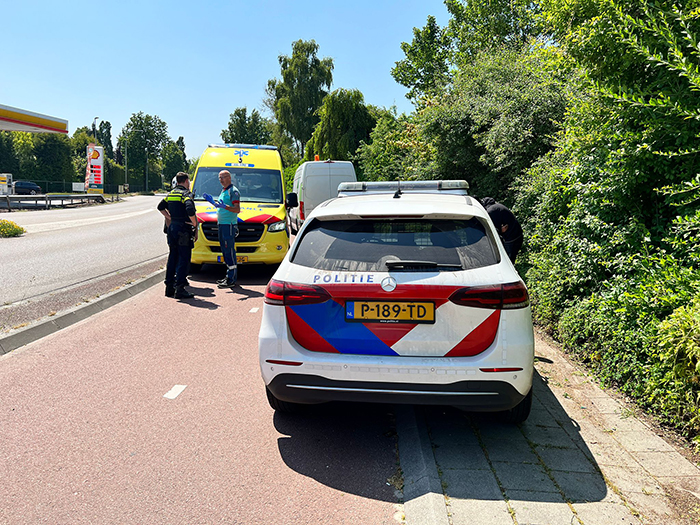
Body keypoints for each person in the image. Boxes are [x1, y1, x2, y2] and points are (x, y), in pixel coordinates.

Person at [158, 172, 198, 298]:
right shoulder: (185, 194)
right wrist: (194, 224)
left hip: (172, 228)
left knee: (172, 257)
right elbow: (190, 209)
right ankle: (180, 288)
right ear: (186, 181)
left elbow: (160, 207)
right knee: (184, 258)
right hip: (183, 230)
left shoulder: (171, 194)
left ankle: (169, 287)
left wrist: (170, 217)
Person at [203, 170, 241, 289]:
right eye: (219, 178)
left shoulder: (233, 191)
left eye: (223, 177)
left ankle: (231, 278)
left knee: (229, 250)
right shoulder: (224, 191)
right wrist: (213, 203)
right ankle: (228, 276)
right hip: (222, 224)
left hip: (228, 225)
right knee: (225, 251)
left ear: (229, 177)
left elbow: (237, 209)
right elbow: (222, 206)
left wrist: (224, 206)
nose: (221, 180)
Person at [480, 197, 523, 264]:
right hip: (516, 234)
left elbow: (495, 231)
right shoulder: (497, 206)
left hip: (511, 237)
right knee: (509, 258)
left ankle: (509, 272)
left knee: (507, 261)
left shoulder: (491, 211)